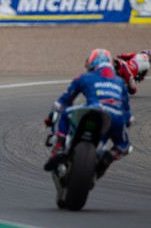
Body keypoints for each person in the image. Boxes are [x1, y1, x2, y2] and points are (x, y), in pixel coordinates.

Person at [44, 48, 133, 177]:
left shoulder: (84, 77)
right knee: (124, 144)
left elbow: (62, 102)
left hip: (93, 109)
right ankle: (107, 158)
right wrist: (126, 123)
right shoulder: (119, 82)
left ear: (92, 63)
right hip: (116, 116)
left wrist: (50, 119)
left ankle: (59, 147)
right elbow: (128, 114)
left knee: (64, 114)